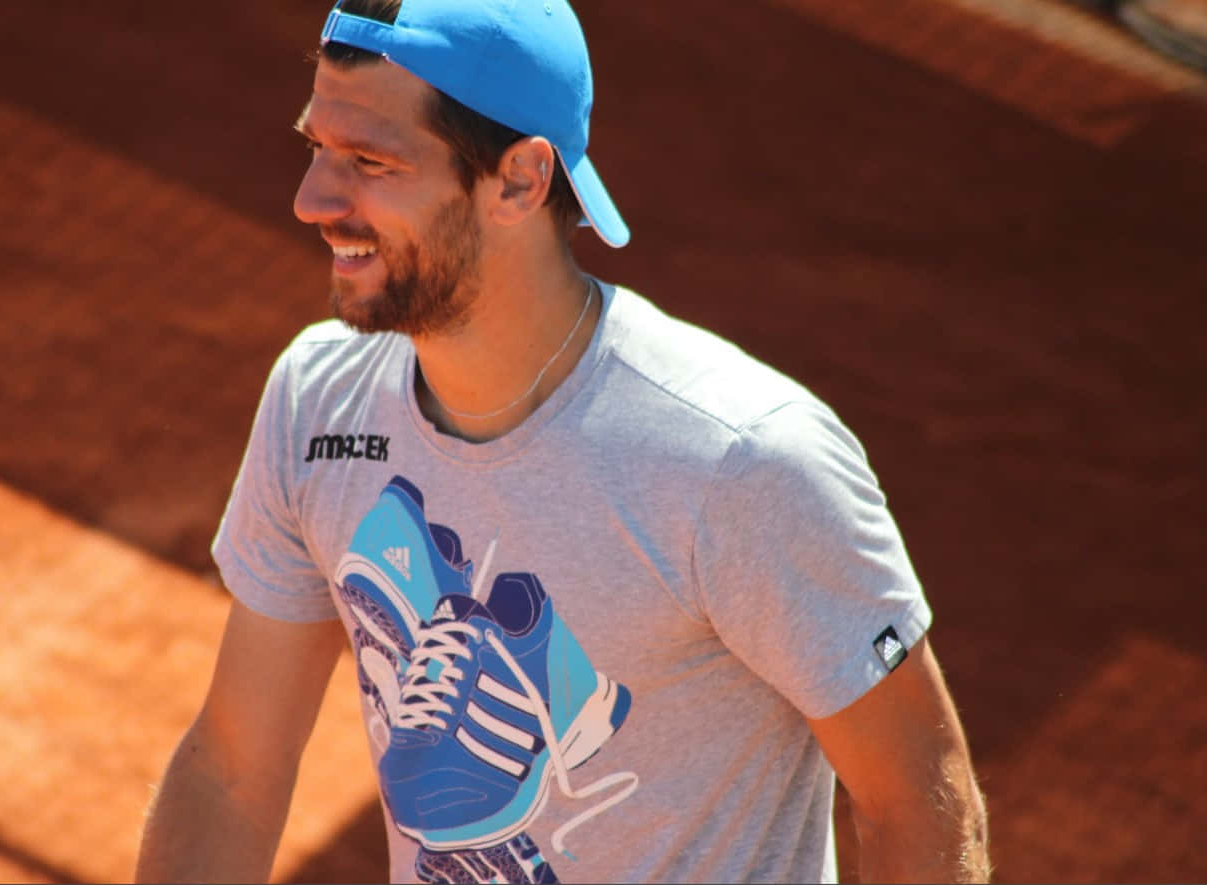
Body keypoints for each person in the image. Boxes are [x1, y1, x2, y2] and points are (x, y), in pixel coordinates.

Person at [134, 0, 991, 881]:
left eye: (369, 161)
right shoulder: (321, 403)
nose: (312, 199)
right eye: (317, 147)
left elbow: (919, 793)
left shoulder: (740, 463)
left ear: (520, 180)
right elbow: (233, 768)